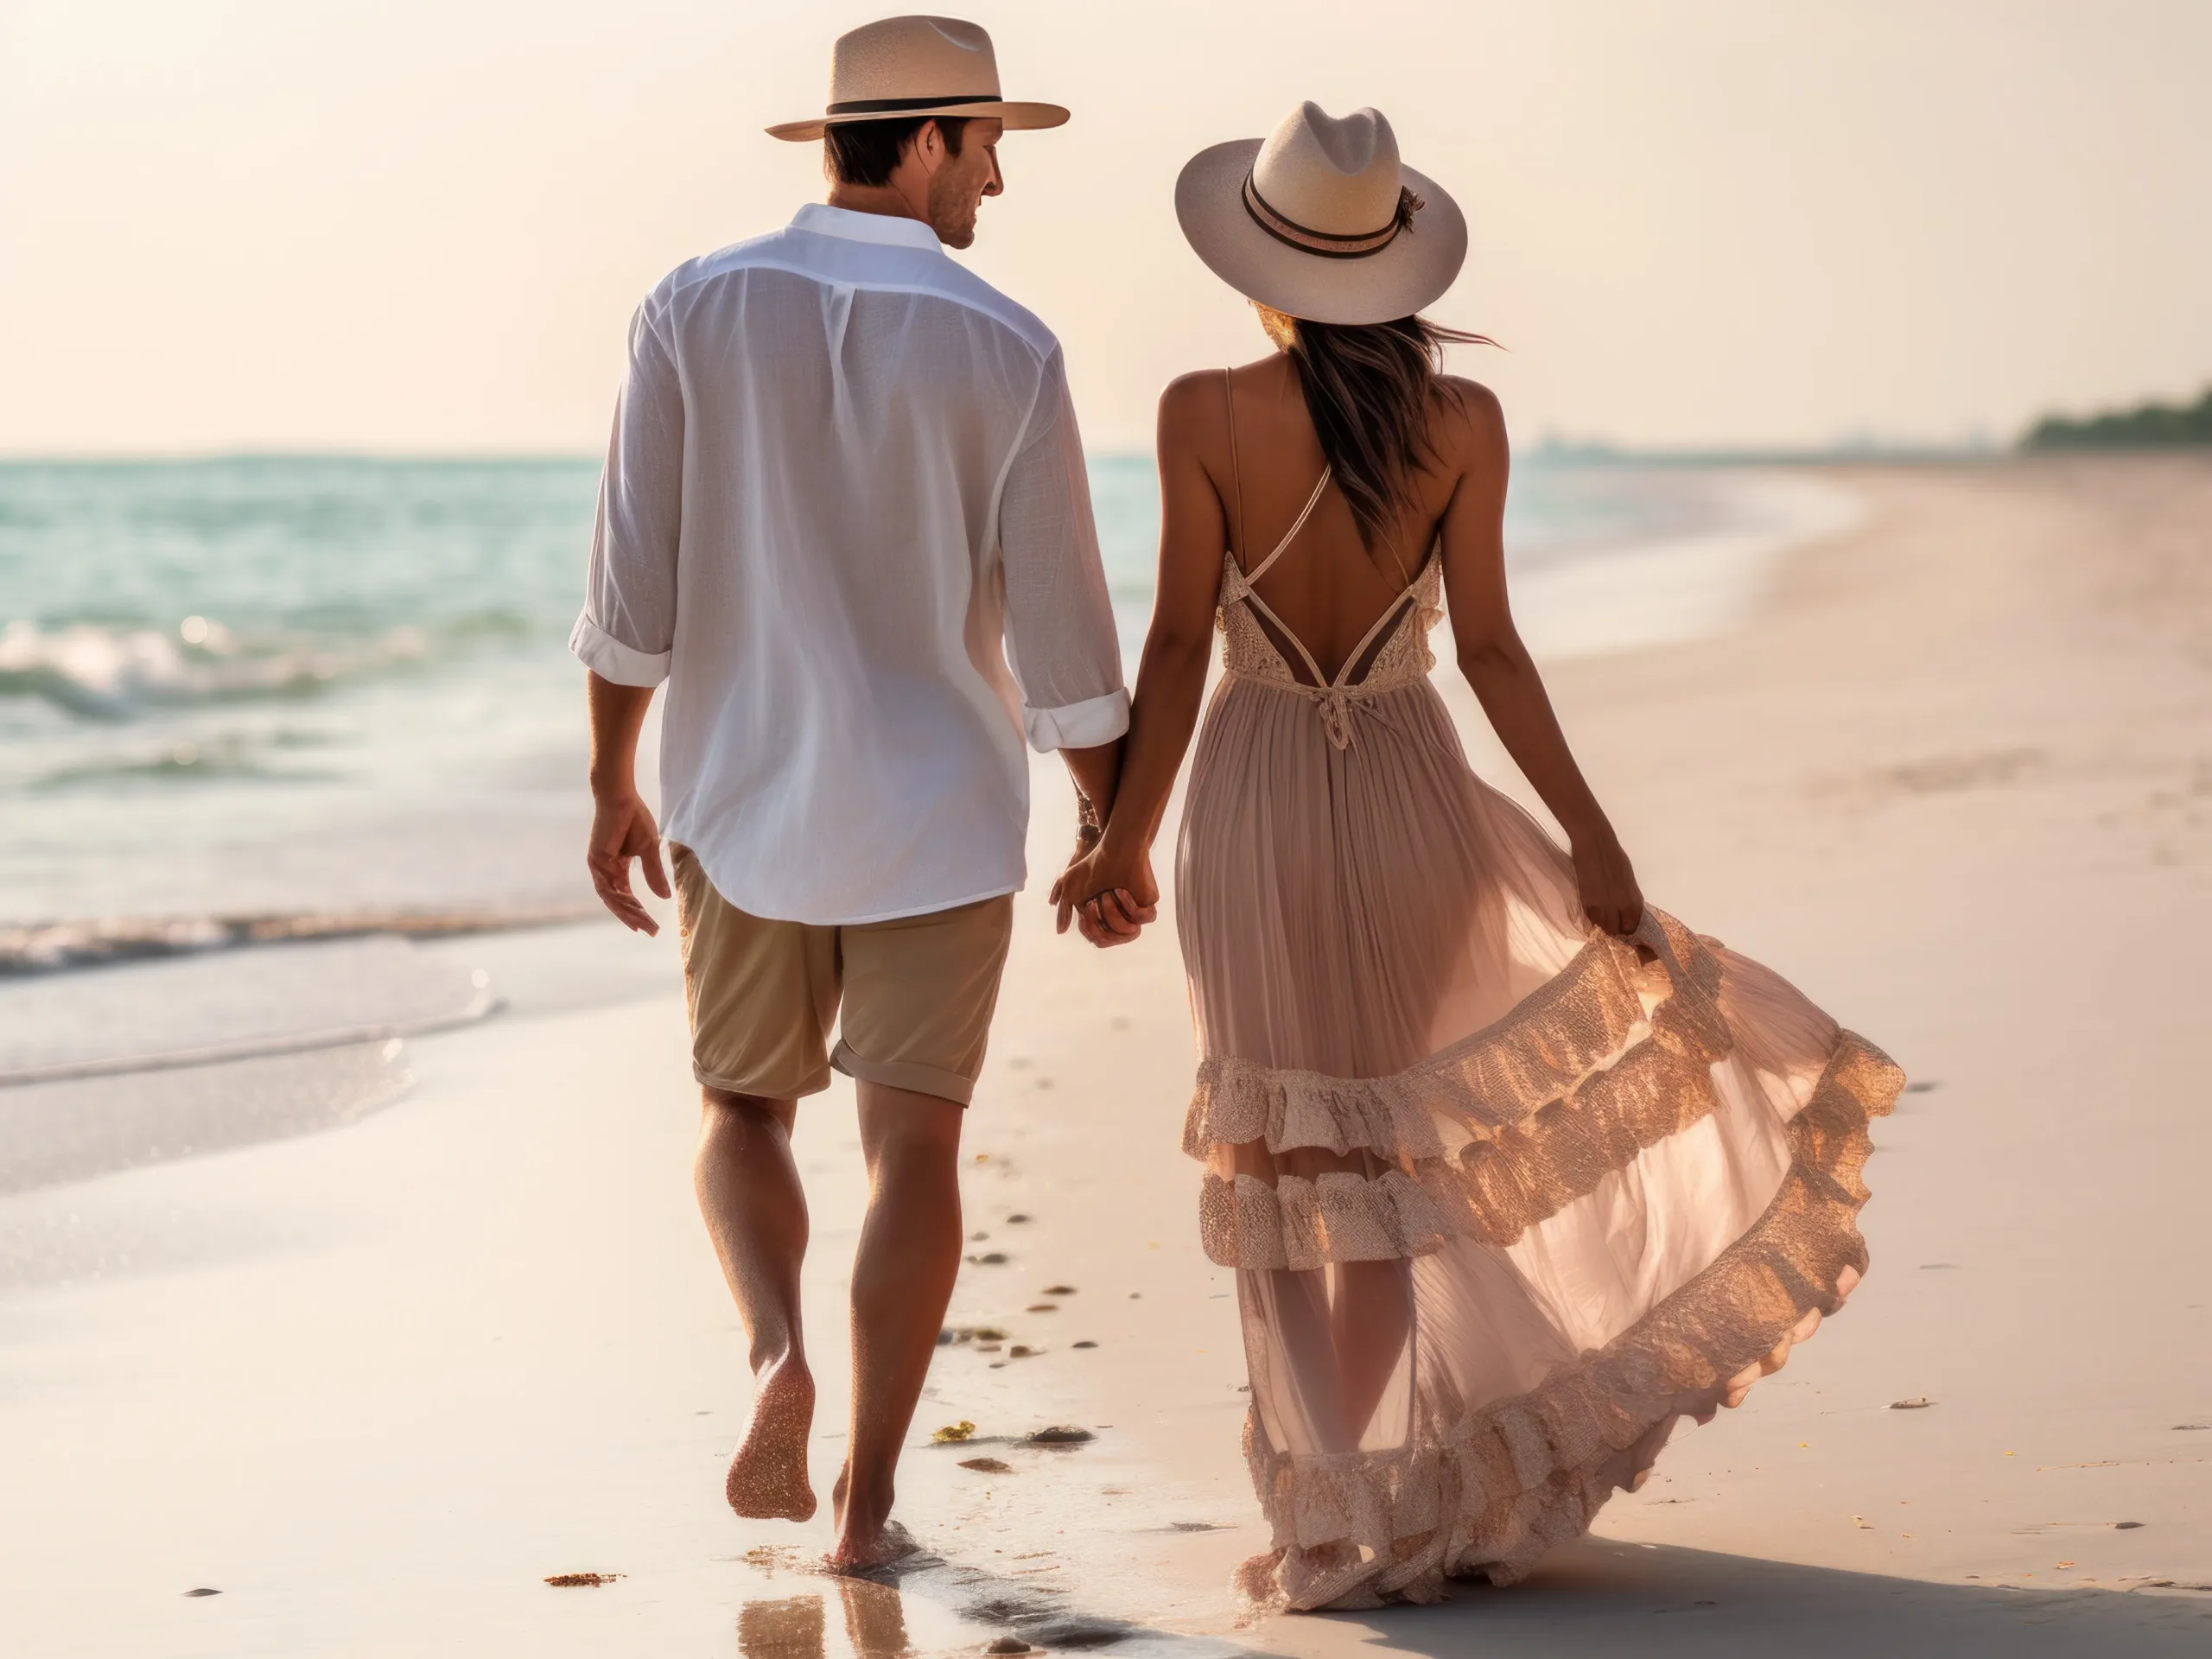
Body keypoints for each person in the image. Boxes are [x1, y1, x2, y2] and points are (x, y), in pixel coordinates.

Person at [1054, 103, 1905, 1610]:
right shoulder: (1465, 428)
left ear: (1261, 262)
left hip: (1249, 801)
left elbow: (1181, 642)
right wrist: (1594, 836)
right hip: (1411, 796)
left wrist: (1118, 842)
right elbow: (1496, 653)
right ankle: (1380, 1501)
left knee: (1282, 1161)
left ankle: (1325, 1510)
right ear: (1397, 270)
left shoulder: (1201, 411)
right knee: (1383, 1159)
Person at [571, 16, 1132, 1573]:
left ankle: (773, 1357)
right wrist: (1110, 821)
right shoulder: (1009, 344)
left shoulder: (691, 303)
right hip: (941, 811)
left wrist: (611, 777)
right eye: (992, 145)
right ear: (933, 139)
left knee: (741, 1108)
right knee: (915, 1151)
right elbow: (1067, 637)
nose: (1001, 180)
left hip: (740, 796)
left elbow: (633, 588)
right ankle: (866, 1508)